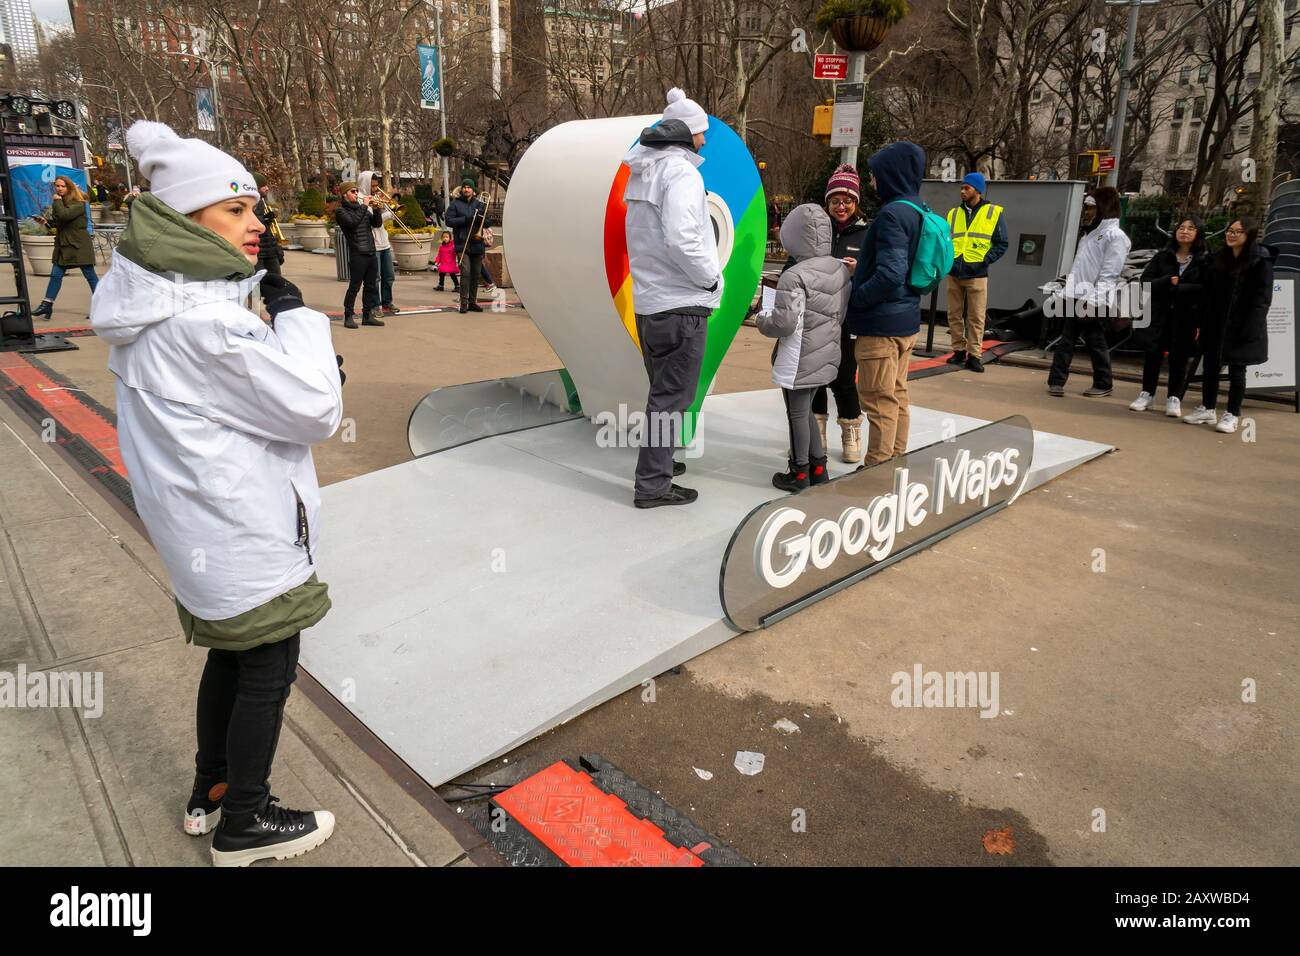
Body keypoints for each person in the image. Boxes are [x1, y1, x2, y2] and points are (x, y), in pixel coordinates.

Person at [90, 120, 340, 867]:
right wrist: (297, 318)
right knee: (267, 667)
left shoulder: (157, 306)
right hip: (241, 528)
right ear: (183, 218)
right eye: (236, 210)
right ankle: (247, 823)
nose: (256, 224)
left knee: (231, 658)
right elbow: (315, 408)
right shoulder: (201, 324)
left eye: (255, 210)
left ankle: (211, 793)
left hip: (200, 527)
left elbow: (239, 405)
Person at [623, 89, 722, 508]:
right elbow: (683, 239)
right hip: (682, 304)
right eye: (702, 133)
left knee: (663, 394)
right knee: (671, 399)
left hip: (650, 304)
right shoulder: (683, 175)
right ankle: (653, 486)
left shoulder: (642, 173)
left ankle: (661, 465)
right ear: (688, 135)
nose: (704, 141)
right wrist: (711, 280)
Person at [756, 204, 851, 492]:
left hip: (799, 355)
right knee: (807, 410)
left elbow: (785, 323)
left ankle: (799, 472)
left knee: (796, 413)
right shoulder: (840, 269)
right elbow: (840, 313)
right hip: (826, 352)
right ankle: (819, 466)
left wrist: (763, 318)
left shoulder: (794, 276)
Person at [846, 141, 928, 467]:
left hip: (881, 325)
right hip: (906, 318)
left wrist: (858, 296)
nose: (872, 182)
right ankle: (895, 466)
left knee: (879, 402)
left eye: (875, 175)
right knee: (898, 397)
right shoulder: (918, 209)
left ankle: (875, 476)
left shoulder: (893, 213)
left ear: (891, 174)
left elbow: (891, 272)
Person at [782, 164, 868, 462]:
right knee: (811, 380)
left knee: (844, 378)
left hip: (843, 321)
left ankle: (850, 429)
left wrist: (857, 272)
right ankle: (815, 433)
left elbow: (874, 273)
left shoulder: (865, 235)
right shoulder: (813, 232)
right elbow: (790, 269)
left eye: (846, 200)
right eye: (835, 201)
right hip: (807, 323)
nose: (841, 206)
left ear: (856, 203)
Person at [1182, 217, 1273, 434]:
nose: (1231, 235)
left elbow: (1262, 299)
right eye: (1229, 231)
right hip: (1214, 323)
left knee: (1237, 370)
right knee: (1210, 366)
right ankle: (1208, 407)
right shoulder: (1218, 260)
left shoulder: (1260, 263)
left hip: (1241, 325)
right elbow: (1208, 293)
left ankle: (1232, 412)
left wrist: (1250, 328)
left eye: (1237, 232)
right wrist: (1200, 320)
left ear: (1248, 235)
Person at [1047, 186, 1130, 398]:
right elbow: (1079, 268)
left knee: (1092, 341)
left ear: (1102, 207)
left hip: (1093, 298)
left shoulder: (1115, 237)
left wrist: (1093, 302)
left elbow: (1109, 274)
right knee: (1072, 340)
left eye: (1090, 207)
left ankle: (1100, 382)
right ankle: (1060, 381)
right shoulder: (1090, 234)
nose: (1086, 211)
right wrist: (1067, 293)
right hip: (1077, 295)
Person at [1129, 216, 1211, 416]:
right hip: (1158, 313)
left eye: (1190, 228)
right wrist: (1166, 281)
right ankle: (1147, 393)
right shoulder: (1163, 256)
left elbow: (1208, 288)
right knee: (1153, 354)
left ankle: (1174, 397)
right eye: (1181, 227)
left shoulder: (1205, 259)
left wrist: (1182, 288)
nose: (1184, 231)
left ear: (1198, 233)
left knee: (1179, 357)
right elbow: (1145, 281)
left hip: (1186, 316)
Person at [944, 171, 1007, 373]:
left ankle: (975, 355)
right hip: (955, 272)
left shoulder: (993, 212)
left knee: (976, 317)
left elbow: (1002, 243)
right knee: (954, 315)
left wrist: (984, 261)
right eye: (962, 187)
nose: (962, 191)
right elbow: (947, 241)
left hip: (977, 274)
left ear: (977, 190)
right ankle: (958, 351)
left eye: (967, 188)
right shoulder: (953, 213)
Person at [30, 176, 98, 320]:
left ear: (69, 188)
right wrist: (46, 222)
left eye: (62, 186)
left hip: (78, 245)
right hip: (64, 244)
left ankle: (103, 306)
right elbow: (59, 222)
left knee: (90, 275)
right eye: (57, 186)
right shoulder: (62, 202)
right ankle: (47, 305)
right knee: (55, 275)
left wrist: (56, 201)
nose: (59, 189)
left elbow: (64, 215)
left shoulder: (78, 203)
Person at [333, 182, 385, 329]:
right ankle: (348, 316)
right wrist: (365, 206)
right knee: (354, 287)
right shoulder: (341, 211)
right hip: (357, 254)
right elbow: (353, 223)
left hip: (370, 252)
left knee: (371, 286)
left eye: (356, 191)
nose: (356, 193)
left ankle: (367, 316)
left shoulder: (362, 209)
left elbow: (376, 224)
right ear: (345, 194)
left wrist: (376, 210)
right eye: (353, 191)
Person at [445, 178, 487, 313]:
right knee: (466, 273)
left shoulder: (479, 204)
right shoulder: (455, 204)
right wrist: (465, 220)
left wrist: (483, 220)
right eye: (464, 187)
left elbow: (488, 222)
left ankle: (472, 302)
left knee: (475, 275)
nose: (466, 189)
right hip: (462, 244)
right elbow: (449, 221)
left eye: (469, 187)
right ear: (462, 189)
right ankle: (463, 303)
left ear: (473, 190)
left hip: (477, 243)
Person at [361, 171, 401, 316]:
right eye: (372, 185)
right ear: (365, 184)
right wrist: (389, 214)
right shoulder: (362, 200)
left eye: (377, 185)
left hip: (384, 243)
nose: (375, 188)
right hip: (373, 244)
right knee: (375, 278)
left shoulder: (376, 196)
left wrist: (388, 207)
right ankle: (375, 305)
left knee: (389, 276)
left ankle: (387, 302)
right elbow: (374, 222)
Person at [251, 173, 284, 278]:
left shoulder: (263, 202)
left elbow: (267, 228)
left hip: (270, 250)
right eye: (263, 186)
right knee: (258, 284)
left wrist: (277, 249)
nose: (267, 188)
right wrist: (264, 219)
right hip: (258, 252)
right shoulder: (251, 203)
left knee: (277, 281)